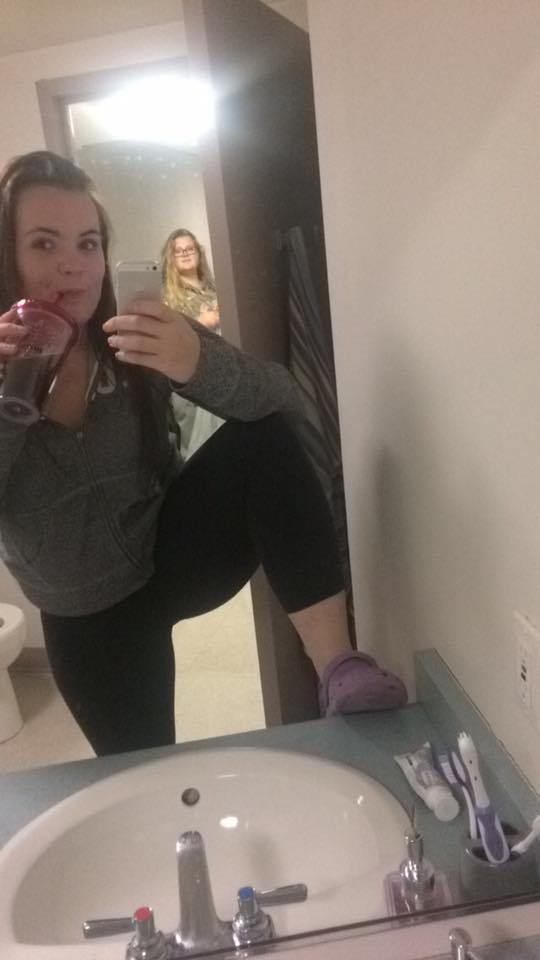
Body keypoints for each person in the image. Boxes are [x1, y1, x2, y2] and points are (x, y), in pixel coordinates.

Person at [0, 150, 407, 757]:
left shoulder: (132, 333)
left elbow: (282, 397)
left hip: (171, 555)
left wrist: (195, 363)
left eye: (88, 244)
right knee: (146, 774)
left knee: (262, 439)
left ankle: (338, 669)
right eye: (43, 243)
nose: (72, 265)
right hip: (86, 615)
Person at [160, 228, 222, 459]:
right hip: (190, 381)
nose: (185, 253)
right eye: (179, 251)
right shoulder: (166, 298)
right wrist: (203, 323)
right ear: (171, 257)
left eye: (190, 248)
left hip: (221, 372)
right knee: (200, 450)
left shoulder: (214, 289)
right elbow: (168, 341)